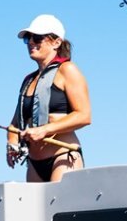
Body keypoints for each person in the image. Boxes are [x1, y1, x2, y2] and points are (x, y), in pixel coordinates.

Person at [6, 14, 92, 182]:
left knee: (59, 200)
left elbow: (84, 115)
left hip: (63, 157)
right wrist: (12, 143)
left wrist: (45, 129)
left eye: (37, 38)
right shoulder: (28, 81)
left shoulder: (68, 70)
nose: (31, 42)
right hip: (34, 164)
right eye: (28, 38)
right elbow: (14, 125)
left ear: (56, 42)